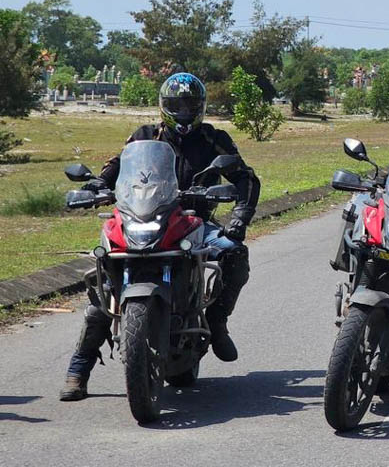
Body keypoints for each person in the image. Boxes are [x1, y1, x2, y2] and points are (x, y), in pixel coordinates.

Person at [60, 73, 260, 401]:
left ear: (200, 107)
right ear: (163, 106)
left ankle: (217, 320)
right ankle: (79, 367)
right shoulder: (143, 135)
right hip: (139, 218)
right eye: (176, 104)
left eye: (190, 104)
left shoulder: (215, 139)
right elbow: (116, 168)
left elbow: (246, 179)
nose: (183, 110)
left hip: (191, 221)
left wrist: (239, 217)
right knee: (105, 283)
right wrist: (97, 185)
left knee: (234, 251)